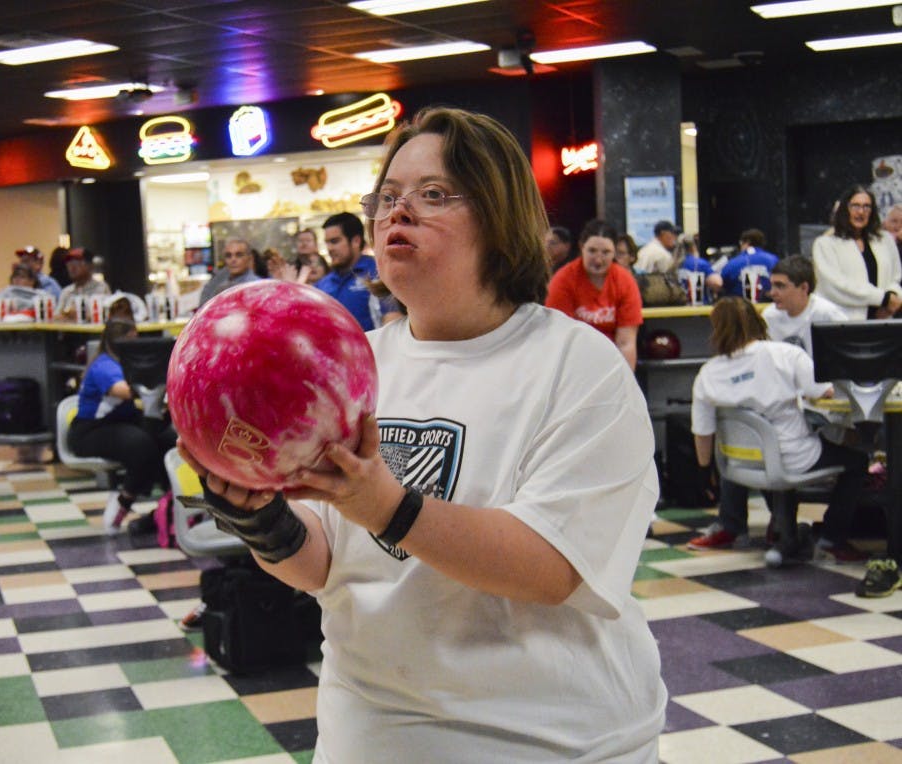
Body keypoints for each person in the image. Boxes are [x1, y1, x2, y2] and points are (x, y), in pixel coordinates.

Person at [178, 106, 666, 762]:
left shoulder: (578, 367)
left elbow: (550, 568)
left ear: (499, 219)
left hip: (553, 741)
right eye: (388, 197)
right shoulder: (349, 365)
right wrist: (261, 518)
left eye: (433, 195)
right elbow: (322, 562)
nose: (397, 212)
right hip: (372, 735)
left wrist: (388, 506)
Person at [688, 297, 868, 563]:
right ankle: (832, 536)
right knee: (858, 462)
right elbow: (824, 391)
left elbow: (702, 433)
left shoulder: (707, 374)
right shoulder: (786, 354)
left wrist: (705, 471)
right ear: (758, 321)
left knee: (767, 457)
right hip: (793, 456)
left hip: (740, 465)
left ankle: (778, 531)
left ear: (716, 330)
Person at [68, 319, 176, 535]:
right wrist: (153, 378)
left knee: (169, 440)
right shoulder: (103, 366)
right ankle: (123, 501)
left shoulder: (128, 364)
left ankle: (170, 505)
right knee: (141, 445)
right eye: (131, 340)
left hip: (123, 421)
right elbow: (124, 391)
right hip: (89, 431)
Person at [545, 219, 644, 370]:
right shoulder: (563, 280)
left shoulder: (625, 282)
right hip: (573, 360)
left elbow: (626, 343)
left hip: (612, 361)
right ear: (581, 247)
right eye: (592, 251)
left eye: (606, 252)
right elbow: (559, 339)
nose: (598, 260)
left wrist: (625, 382)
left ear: (614, 253)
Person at [812, 185, 902, 320]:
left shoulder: (885, 240)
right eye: (855, 206)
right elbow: (835, 286)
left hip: (882, 321)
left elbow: (895, 278)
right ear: (844, 209)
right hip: (842, 321)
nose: (861, 212)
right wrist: (882, 298)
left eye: (867, 207)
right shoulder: (825, 244)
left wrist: (891, 299)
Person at [314, 212, 401, 330]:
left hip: (373, 346)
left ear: (356, 241)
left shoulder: (378, 272)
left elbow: (393, 320)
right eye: (327, 243)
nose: (329, 248)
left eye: (335, 241)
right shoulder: (322, 284)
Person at [763, 255, 847, 356]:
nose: (772, 293)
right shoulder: (769, 316)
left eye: (780, 286)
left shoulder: (828, 315)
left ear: (804, 288)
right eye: (772, 286)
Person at [198, 238, 260, 307]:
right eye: (228, 256)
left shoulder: (257, 287)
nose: (233, 259)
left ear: (249, 258)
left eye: (239, 255)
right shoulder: (220, 286)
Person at [55, 247, 111, 320]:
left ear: (90, 265)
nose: (72, 267)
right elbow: (55, 317)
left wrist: (79, 315)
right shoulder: (66, 292)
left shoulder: (101, 288)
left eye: (77, 262)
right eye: (69, 262)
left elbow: (106, 316)